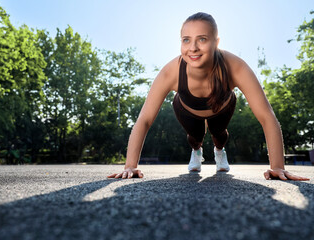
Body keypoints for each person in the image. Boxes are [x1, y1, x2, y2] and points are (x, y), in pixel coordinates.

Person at [108, 12, 309, 181]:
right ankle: (197, 152)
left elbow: (266, 116)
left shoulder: (235, 67)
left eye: (202, 39)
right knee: (194, 138)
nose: (193, 48)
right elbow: (144, 119)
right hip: (187, 110)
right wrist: (130, 165)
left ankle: (219, 152)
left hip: (222, 108)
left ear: (216, 42)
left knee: (219, 135)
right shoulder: (170, 72)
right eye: (186, 40)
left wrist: (278, 166)